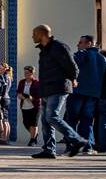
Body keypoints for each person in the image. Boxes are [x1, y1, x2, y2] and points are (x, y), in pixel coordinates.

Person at [31, 23, 88, 159]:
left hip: (58, 87)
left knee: (52, 116)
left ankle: (77, 140)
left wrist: (73, 78)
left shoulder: (59, 47)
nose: (32, 36)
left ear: (42, 34)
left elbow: (72, 66)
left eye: (34, 34)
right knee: (45, 120)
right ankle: (49, 149)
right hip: (46, 89)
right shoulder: (44, 50)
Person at [67, 35, 106, 150]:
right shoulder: (102, 58)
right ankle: (87, 146)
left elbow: (70, 63)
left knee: (72, 119)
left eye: (80, 42)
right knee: (87, 120)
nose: (77, 45)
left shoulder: (83, 53)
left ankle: (72, 145)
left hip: (78, 91)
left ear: (89, 43)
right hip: (93, 94)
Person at [16, 66, 41, 147]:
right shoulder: (22, 82)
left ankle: (32, 140)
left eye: (27, 73)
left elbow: (39, 95)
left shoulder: (37, 82)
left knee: (34, 123)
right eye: (24, 72)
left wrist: (31, 98)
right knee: (26, 123)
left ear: (31, 73)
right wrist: (21, 96)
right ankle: (35, 134)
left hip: (35, 106)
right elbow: (18, 92)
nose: (25, 74)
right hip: (24, 106)